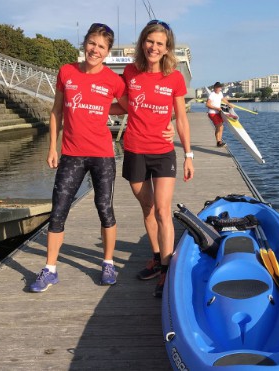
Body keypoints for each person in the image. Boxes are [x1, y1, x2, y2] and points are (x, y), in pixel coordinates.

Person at [28, 23, 126, 292]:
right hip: (71, 153)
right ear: (85, 43)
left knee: (104, 209)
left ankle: (107, 262)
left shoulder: (113, 80)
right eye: (92, 43)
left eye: (101, 47)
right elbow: (56, 112)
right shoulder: (67, 72)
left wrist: (167, 124)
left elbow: (129, 105)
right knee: (58, 211)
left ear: (107, 52)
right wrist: (52, 147)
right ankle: (50, 269)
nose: (95, 50)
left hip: (103, 155)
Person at [117, 19, 194, 298]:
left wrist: (188, 154)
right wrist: (90, 111)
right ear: (142, 42)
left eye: (160, 43)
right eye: (150, 41)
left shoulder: (174, 78)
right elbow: (121, 104)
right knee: (147, 209)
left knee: (163, 210)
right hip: (135, 150)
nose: (154, 47)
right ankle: (156, 255)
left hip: (162, 152)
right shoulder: (130, 72)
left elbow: (182, 119)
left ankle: (166, 269)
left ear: (167, 48)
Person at [206, 81, 233, 147]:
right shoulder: (212, 95)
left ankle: (219, 141)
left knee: (220, 127)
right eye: (218, 88)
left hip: (218, 113)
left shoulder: (220, 93)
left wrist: (229, 104)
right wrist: (216, 108)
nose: (219, 89)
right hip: (212, 113)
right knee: (220, 126)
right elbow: (207, 104)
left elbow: (223, 99)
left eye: (220, 87)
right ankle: (219, 142)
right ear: (215, 88)